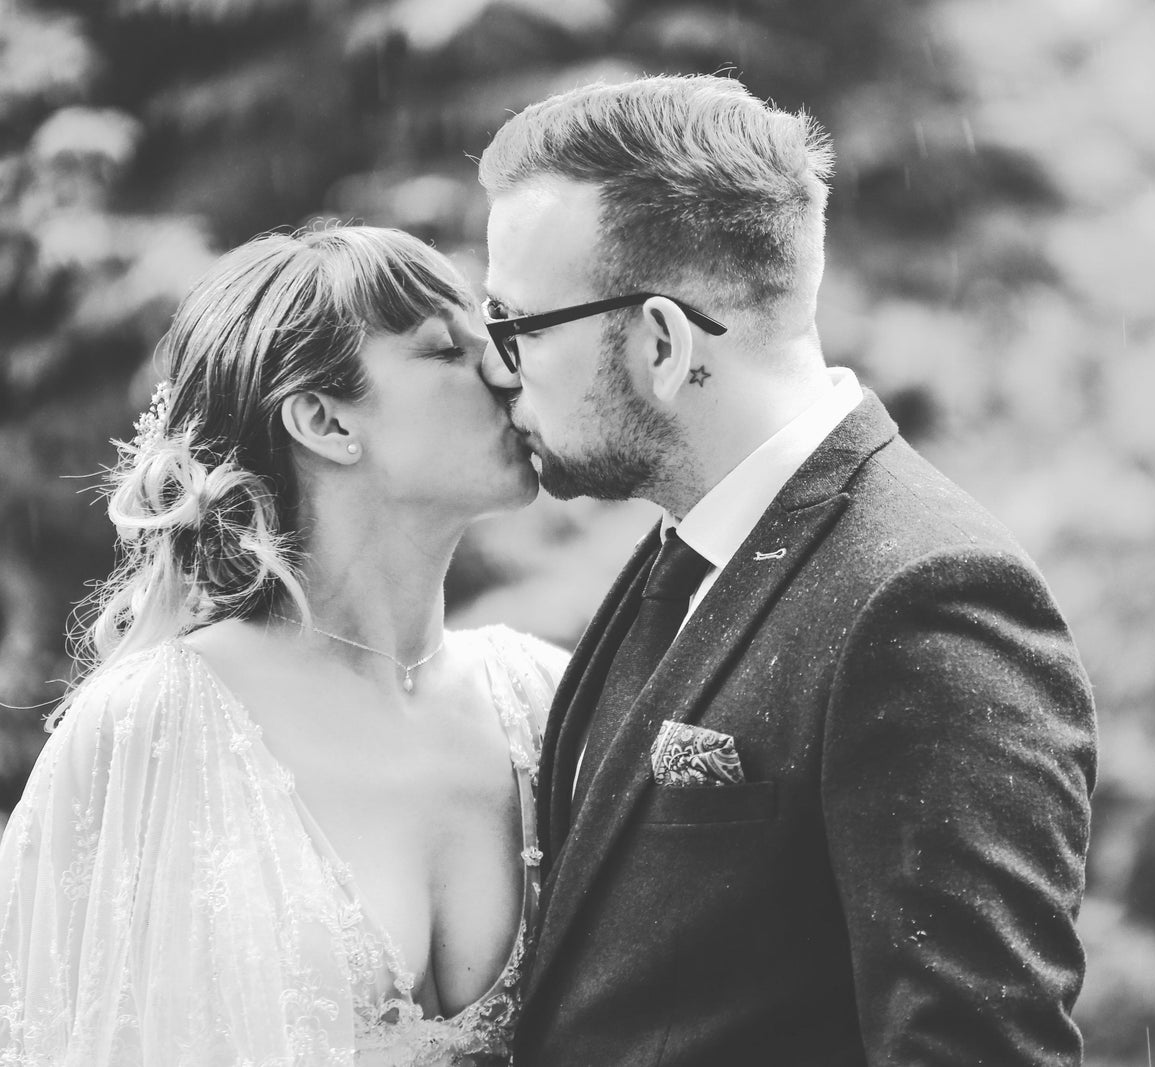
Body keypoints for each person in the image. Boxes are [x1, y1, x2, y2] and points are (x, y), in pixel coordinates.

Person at [478, 75, 1098, 1066]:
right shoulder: (682, 554)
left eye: (516, 324)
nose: (499, 364)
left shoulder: (927, 598)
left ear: (660, 342)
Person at [0, 226, 567, 1064]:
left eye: (496, 338)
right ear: (324, 418)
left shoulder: (547, 694)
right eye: (449, 350)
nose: (506, 370)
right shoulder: (151, 727)